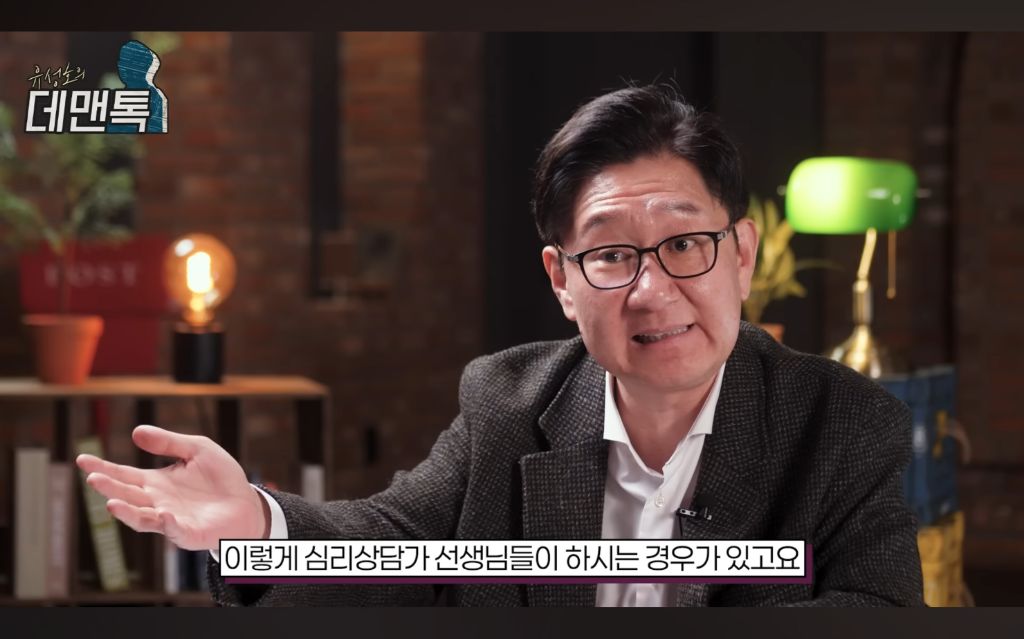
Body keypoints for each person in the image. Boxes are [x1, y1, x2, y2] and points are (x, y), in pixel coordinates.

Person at [76, 84, 924, 607]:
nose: (652, 288)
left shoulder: (842, 423)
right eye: (611, 254)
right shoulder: (507, 405)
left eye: (684, 243)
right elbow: (394, 544)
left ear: (740, 255)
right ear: (561, 279)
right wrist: (257, 525)